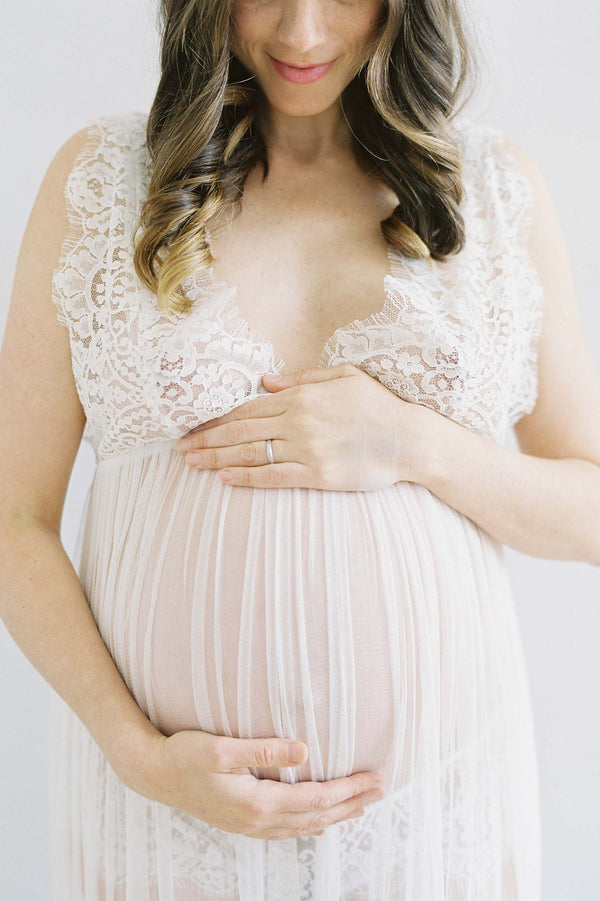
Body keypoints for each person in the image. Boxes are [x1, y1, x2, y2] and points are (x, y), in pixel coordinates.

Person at [2, 0, 600, 897]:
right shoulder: (105, 182)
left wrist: (412, 442)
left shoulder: (492, 189)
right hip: (168, 814)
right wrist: (135, 752)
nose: (302, 33)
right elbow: (14, 518)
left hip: (428, 822)